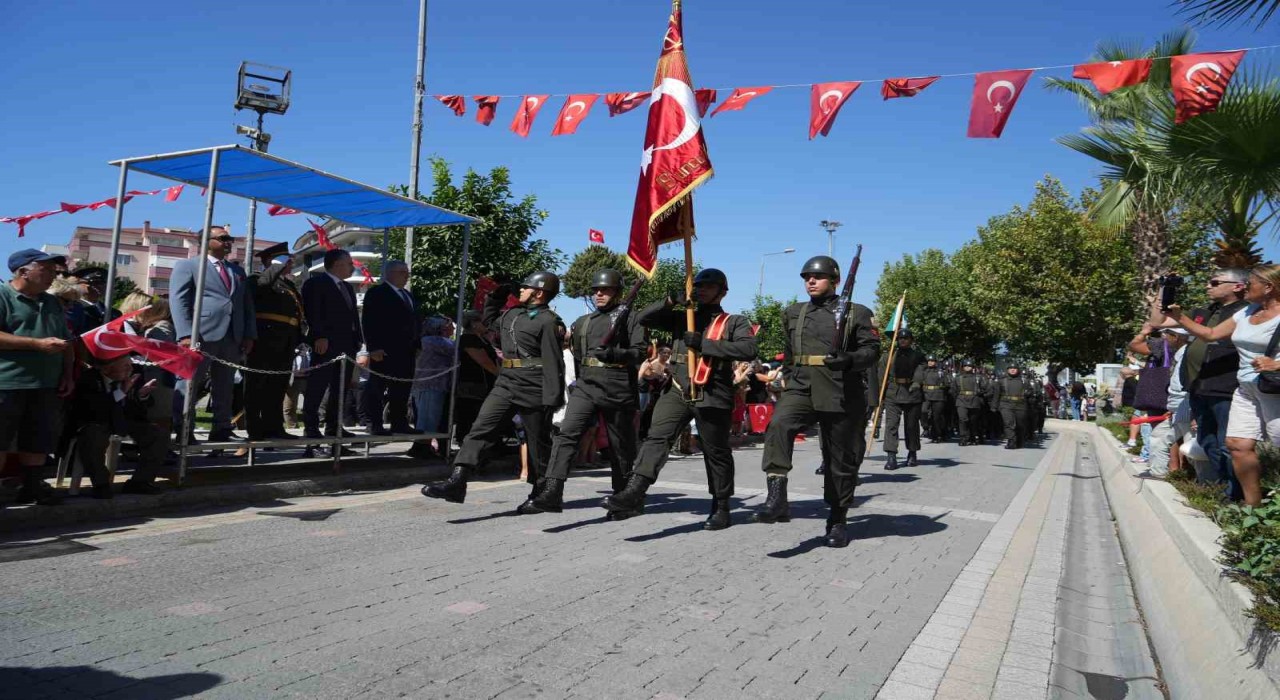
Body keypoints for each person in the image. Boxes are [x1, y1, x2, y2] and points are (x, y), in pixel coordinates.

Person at [603, 269, 758, 529]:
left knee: (715, 451)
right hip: (676, 387)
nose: (700, 290)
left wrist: (704, 345)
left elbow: (748, 349)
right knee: (656, 439)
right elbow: (642, 318)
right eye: (697, 285)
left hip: (712, 390)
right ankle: (634, 491)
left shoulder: (733, 322)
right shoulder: (683, 317)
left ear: (723, 292)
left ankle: (721, 505)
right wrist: (670, 301)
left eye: (708, 286)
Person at [753, 256, 879, 547]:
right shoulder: (794, 313)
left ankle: (837, 519)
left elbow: (871, 351)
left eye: (817, 277)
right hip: (801, 385)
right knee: (779, 425)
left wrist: (849, 359)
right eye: (806, 277)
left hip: (841, 390)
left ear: (834, 281)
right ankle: (777, 496)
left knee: (839, 461)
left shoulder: (856, 312)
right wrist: (786, 375)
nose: (810, 281)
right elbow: (790, 349)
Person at [423, 272, 564, 507]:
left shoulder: (549, 321)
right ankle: (458, 481)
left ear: (539, 292)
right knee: (481, 428)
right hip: (506, 381)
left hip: (534, 384)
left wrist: (554, 396)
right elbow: (488, 321)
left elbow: (554, 360)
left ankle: (544, 492)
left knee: (538, 442)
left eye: (526, 287)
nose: (521, 290)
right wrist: (496, 297)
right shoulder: (513, 314)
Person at [524, 269, 645, 515]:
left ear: (618, 292)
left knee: (619, 446)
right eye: (596, 290)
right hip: (587, 385)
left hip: (618, 385)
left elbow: (640, 352)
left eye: (605, 290)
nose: (599, 294)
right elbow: (578, 355)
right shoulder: (583, 322)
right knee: (566, 434)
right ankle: (552, 491)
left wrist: (615, 354)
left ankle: (624, 498)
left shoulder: (632, 319)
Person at [1167, 265, 1280, 506]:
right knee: (1237, 445)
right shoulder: (1247, 312)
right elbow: (1210, 333)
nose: (1246, 287)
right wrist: (1180, 317)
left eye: (1250, 283)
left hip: (1275, 389)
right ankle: (1252, 508)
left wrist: (1276, 364)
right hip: (1246, 387)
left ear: (1269, 287)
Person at [0, 250, 75, 505]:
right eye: (48, 271)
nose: (54, 276)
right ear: (24, 271)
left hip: (46, 384)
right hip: (7, 382)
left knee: (38, 438)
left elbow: (67, 339)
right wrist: (35, 344)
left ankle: (32, 487)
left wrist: (67, 374)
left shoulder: (51, 301)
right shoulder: (3, 296)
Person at [170, 227, 257, 444]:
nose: (229, 242)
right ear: (206, 241)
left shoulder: (237, 272)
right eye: (223, 238)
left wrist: (249, 334)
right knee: (190, 383)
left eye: (230, 238)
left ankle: (221, 428)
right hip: (201, 334)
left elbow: (246, 305)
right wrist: (185, 333)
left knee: (225, 385)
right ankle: (184, 430)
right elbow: (179, 301)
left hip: (232, 335)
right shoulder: (189, 266)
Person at [1166, 269, 1249, 494]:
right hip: (1199, 386)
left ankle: (1237, 495)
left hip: (1226, 387)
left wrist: (1180, 317)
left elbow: (1212, 335)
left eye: (1214, 282)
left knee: (1227, 444)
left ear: (1238, 286)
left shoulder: (1246, 312)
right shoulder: (1206, 311)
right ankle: (1225, 487)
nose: (1207, 286)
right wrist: (1166, 288)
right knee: (1208, 441)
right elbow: (1159, 320)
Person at [66, 354, 169, 497]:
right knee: (93, 436)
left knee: (158, 434)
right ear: (107, 369)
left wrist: (141, 395)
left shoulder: (133, 376)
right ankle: (101, 484)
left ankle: (140, 482)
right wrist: (121, 392)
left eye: (130, 365)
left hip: (123, 420)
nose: (130, 369)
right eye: (125, 366)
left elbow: (137, 409)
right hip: (96, 421)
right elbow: (95, 409)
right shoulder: (89, 379)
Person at [244, 243, 303, 442]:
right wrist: (276, 267)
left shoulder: (288, 285)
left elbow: (297, 313)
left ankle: (274, 427)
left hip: (286, 341)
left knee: (278, 387)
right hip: (264, 339)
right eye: (286, 261)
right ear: (272, 261)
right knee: (257, 386)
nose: (290, 265)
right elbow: (262, 287)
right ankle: (255, 429)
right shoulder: (256, 278)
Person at [300, 249, 362, 439]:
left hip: (347, 345)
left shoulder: (348, 287)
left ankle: (334, 426)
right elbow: (313, 312)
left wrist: (357, 338)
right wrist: (319, 336)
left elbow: (352, 316)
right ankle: (311, 427)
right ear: (337, 264)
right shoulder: (316, 283)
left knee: (341, 388)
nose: (352, 267)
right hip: (325, 344)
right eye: (349, 263)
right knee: (317, 386)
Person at [361, 261, 419, 435]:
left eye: (407, 272)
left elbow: (415, 321)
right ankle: (374, 423)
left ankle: (399, 422)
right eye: (402, 272)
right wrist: (373, 347)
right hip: (384, 350)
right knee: (378, 387)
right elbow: (369, 321)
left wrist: (418, 344)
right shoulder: (377, 293)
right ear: (390, 273)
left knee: (401, 389)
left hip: (406, 351)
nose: (406, 275)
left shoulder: (408, 295)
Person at [1130, 326, 1192, 478]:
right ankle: (1173, 472)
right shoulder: (1184, 350)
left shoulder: (1162, 347)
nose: (1163, 336)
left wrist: (1145, 330)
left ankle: (1180, 472)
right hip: (1173, 401)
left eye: (1166, 333)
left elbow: (1134, 345)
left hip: (1170, 400)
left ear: (1175, 336)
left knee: (1186, 442)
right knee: (1171, 438)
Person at [408, 316, 456, 457]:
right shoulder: (435, 341)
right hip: (431, 384)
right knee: (428, 418)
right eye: (448, 326)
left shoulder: (426, 341)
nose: (452, 328)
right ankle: (421, 448)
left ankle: (422, 447)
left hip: (426, 384)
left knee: (425, 417)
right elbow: (456, 350)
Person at [878, 328, 925, 470]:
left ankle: (912, 453)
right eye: (900, 338)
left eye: (906, 338)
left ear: (911, 340)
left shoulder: (918, 356)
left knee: (911, 425)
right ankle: (891, 456)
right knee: (891, 425)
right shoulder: (888, 356)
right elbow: (881, 374)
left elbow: (921, 370)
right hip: (893, 392)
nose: (903, 340)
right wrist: (880, 391)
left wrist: (917, 382)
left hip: (912, 392)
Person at [993, 365, 1031, 449]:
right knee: (1009, 423)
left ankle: (1019, 440)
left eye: (1014, 368)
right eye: (1010, 368)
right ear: (1007, 370)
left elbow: (1030, 393)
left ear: (1018, 370)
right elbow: (996, 394)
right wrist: (994, 406)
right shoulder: (1002, 380)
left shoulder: (1024, 380)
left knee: (1020, 425)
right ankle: (1011, 441)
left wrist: (1028, 393)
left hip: (1020, 404)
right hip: (1006, 404)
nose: (1013, 370)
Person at [952, 360, 987, 446]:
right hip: (961, 400)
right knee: (963, 419)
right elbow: (953, 390)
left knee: (973, 420)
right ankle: (963, 438)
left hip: (974, 400)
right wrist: (956, 399)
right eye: (966, 366)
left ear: (973, 368)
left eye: (969, 366)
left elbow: (985, 388)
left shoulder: (978, 378)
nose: (967, 367)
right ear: (963, 367)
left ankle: (972, 437)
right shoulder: (958, 378)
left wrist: (979, 392)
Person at [921, 356, 949, 443]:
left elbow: (947, 384)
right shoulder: (924, 371)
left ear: (935, 362)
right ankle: (926, 428)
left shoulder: (941, 372)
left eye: (932, 361)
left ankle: (938, 434)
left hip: (938, 395)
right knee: (923, 411)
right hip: (926, 395)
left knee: (937, 417)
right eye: (929, 361)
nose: (930, 362)